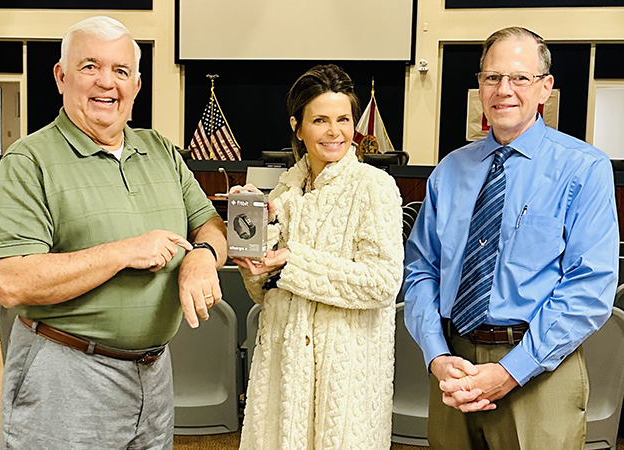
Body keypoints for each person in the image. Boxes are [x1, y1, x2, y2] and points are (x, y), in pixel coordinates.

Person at [0, 16, 227, 450]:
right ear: (61, 76)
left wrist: (203, 254)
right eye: (90, 67)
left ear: (136, 83)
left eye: (120, 71)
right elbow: (12, 282)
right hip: (65, 374)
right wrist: (123, 252)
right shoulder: (28, 162)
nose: (106, 83)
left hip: (153, 373)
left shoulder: (162, 152)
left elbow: (209, 224)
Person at [403, 26, 619, 450]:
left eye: (520, 78)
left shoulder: (584, 169)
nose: (504, 89)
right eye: (492, 77)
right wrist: (436, 355)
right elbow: (420, 269)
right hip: (454, 368)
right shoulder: (450, 171)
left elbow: (590, 287)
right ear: (480, 87)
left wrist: (510, 371)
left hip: (539, 371)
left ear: (545, 89)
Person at [232, 64, 404, 450]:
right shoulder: (284, 189)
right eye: (320, 120)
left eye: (343, 119)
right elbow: (265, 293)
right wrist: (257, 259)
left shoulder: (373, 187)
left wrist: (292, 261)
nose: (334, 131)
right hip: (283, 365)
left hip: (342, 374)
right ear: (298, 126)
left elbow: (381, 283)